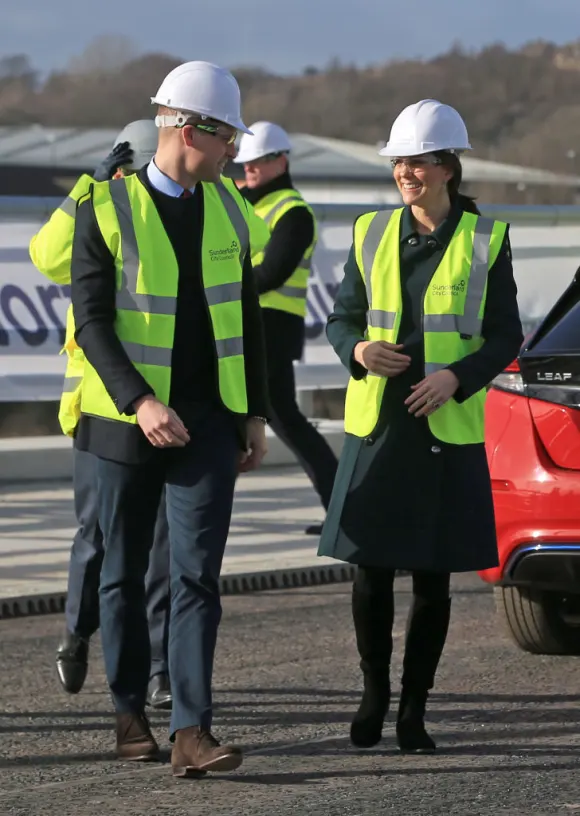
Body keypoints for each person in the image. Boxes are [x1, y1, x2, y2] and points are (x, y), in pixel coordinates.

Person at [70, 60, 269, 776]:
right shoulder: (105, 207)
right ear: (193, 130)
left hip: (209, 423)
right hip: (125, 424)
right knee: (121, 574)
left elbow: (246, 316)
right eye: (228, 141)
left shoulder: (228, 209)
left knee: (196, 577)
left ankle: (192, 731)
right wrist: (140, 401)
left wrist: (253, 414)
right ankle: (128, 710)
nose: (234, 155)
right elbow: (90, 323)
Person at [318, 99, 523, 753]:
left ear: (447, 167)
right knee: (369, 573)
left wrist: (454, 378)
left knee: (433, 580)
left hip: (444, 426)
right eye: (399, 161)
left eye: (418, 161)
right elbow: (341, 317)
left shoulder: (487, 238)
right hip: (379, 422)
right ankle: (373, 693)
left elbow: (504, 335)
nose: (406, 171)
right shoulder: (369, 232)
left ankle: (413, 710)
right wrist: (356, 350)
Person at [29, 120, 173, 710]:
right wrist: (82, 190)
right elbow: (46, 256)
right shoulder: (100, 207)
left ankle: (161, 670)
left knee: (165, 546)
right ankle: (77, 631)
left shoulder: (179, 214)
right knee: (97, 537)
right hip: (100, 411)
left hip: (168, 411)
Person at [235, 122, 338, 535]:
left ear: (282, 160)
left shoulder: (293, 212)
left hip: (270, 331)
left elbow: (273, 273)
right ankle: (342, 507)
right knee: (279, 419)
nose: (250, 169)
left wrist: (221, 290)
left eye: (259, 161)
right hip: (246, 328)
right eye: (245, 163)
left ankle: (341, 506)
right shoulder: (243, 202)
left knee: (280, 419)